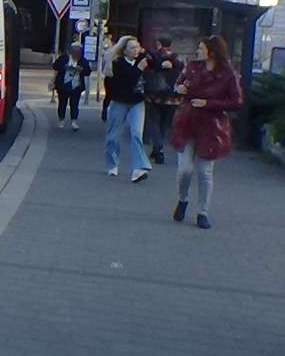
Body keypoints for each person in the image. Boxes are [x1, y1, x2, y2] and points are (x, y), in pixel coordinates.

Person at [169, 36, 242, 230]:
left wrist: (208, 103)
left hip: (212, 127)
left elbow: (236, 102)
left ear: (212, 51)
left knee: (204, 172)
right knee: (185, 169)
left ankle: (203, 212)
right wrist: (180, 88)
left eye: (201, 48)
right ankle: (182, 199)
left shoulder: (227, 73)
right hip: (187, 122)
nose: (197, 51)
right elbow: (177, 85)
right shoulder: (192, 67)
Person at [103, 35, 151, 183]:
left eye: (137, 47)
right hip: (120, 101)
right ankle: (112, 164)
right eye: (132, 48)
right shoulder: (117, 64)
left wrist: (169, 61)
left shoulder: (142, 58)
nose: (136, 50)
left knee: (136, 133)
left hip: (137, 102)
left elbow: (156, 59)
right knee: (113, 136)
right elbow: (127, 80)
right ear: (124, 51)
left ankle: (139, 168)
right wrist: (139, 69)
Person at [143, 36, 183, 164]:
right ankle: (157, 148)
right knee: (164, 124)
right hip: (172, 97)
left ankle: (158, 148)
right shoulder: (177, 58)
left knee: (153, 121)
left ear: (158, 43)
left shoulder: (152, 55)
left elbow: (146, 67)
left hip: (154, 95)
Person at [51, 43, 92, 131]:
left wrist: (81, 70)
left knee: (74, 104)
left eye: (78, 52)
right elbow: (55, 66)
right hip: (63, 84)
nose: (76, 54)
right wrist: (64, 67)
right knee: (62, 103)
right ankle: (61, 120)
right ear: (71, 51)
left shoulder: (83, 60)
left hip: (76, 85)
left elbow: (88, 71)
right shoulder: (64, 58)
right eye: (74, 51)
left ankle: (74, 121)